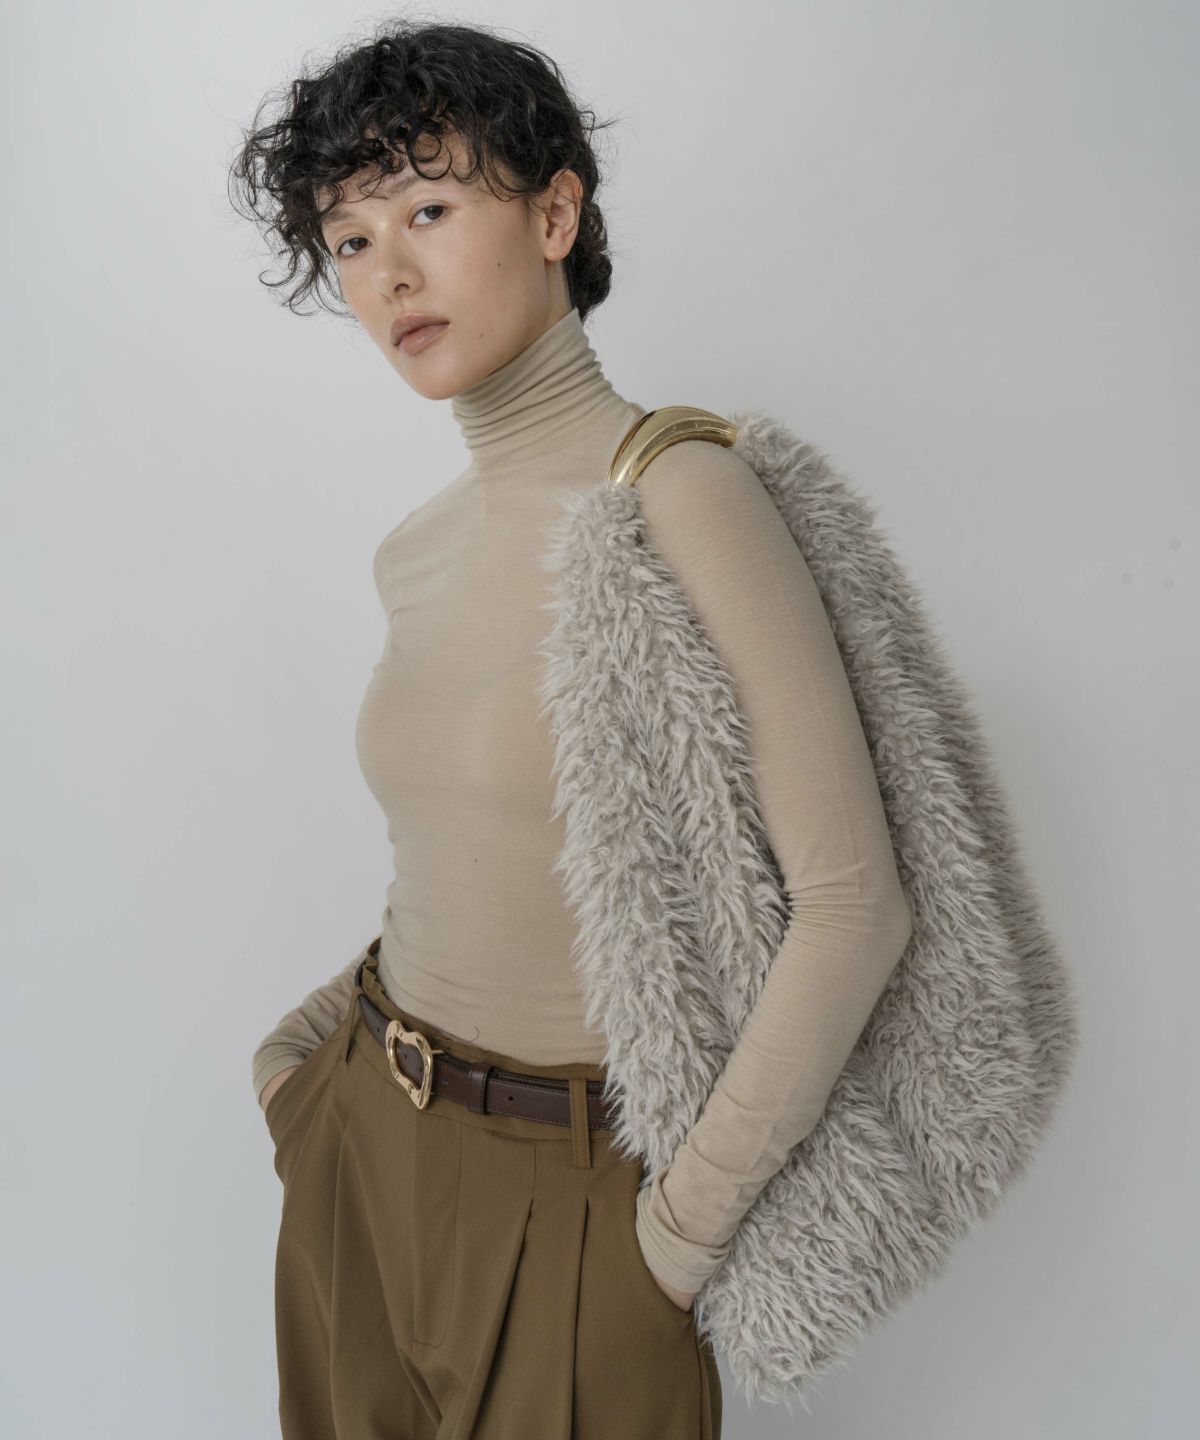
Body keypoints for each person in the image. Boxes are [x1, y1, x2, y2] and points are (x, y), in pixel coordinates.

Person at [230, 18, 912, 1439]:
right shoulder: (417, 547)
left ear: (555, 216)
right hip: (362, 1155)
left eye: (428, 209)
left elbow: (855, 905)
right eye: (350, 238)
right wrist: (300, 1068)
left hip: (583, 1206)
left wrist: (669, 1245)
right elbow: (457, 862)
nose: (388, 271)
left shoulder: (679, 495)